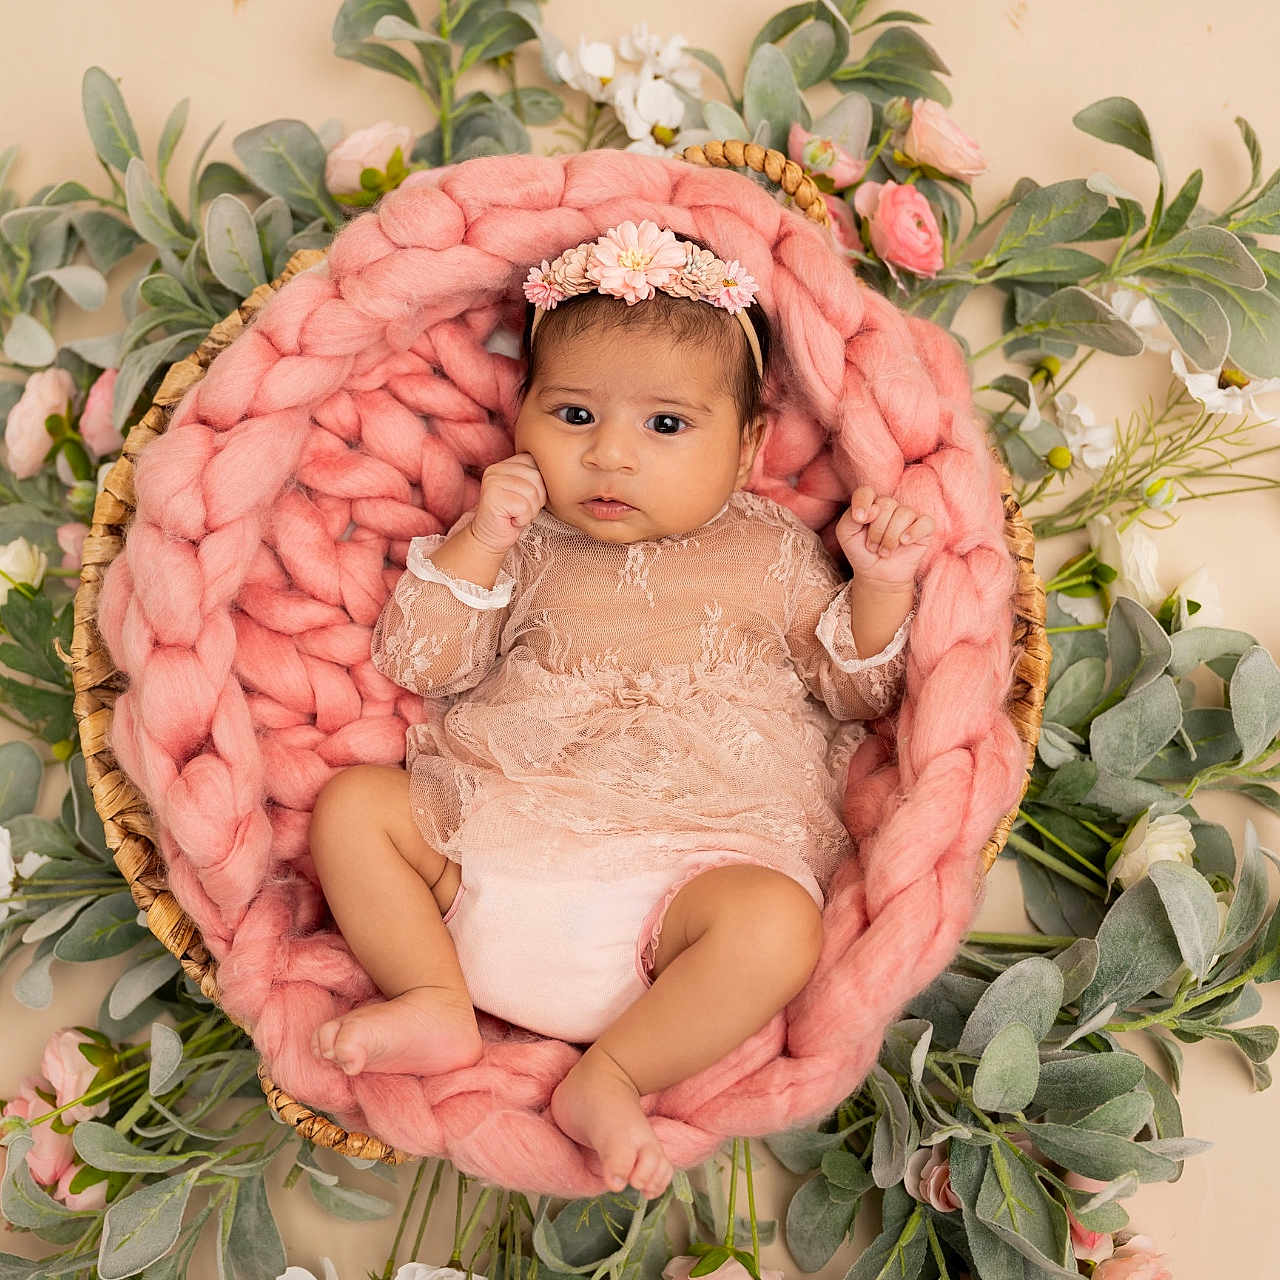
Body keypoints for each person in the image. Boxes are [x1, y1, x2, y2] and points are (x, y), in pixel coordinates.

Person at [308, 219, 934, 1200]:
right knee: (352, 804)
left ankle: (612, 1073)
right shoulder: (521, 540)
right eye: (571, 415)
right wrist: (476, 539)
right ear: (520, 416)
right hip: (494, 853)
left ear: (748, 447)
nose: (609, 457)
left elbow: (858, 692)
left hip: (681, 891)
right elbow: (419, 660)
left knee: (775, 923)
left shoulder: (772, 553)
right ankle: (430, 993)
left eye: (666, 426)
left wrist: (881, 581)